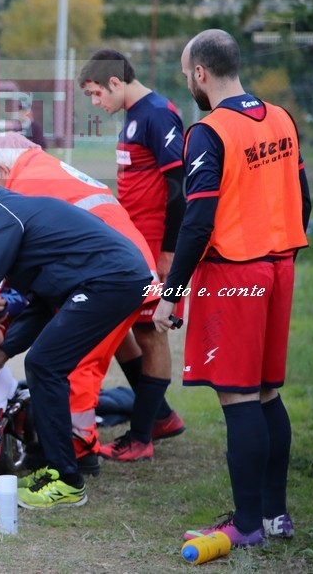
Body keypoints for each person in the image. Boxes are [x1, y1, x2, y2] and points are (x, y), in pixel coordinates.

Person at [154, 29, 311, 546]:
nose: (188, 83)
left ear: (200, 73)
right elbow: (303, 199)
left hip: (235, 274)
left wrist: (171, 294)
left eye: (187, 75)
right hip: (280, 266)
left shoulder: (209, 131)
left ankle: (246, 525)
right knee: (266, 391)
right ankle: (274, 515)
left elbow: (198, 222)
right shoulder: (282, 117)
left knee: (239, 395)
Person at [0, 178, 152, 510]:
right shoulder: (17, 212)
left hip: (112, 278)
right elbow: (40, 304)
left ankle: (67, 481)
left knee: (44, 365)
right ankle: (56, 469)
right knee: (44, 363)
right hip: (116, 276)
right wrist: (0, 357)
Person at [0, 132, 171, 470]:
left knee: (76, 359)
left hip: (111, 272)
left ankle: (79, 453)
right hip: (128, 264)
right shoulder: (46, 167)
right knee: (97, 346)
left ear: (3, 169)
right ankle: (158, 417)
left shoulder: (23, 185)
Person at [78, 49, 187, 459]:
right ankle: (158, 415)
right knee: (120, 324)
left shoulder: (158, 114)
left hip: (155, 248)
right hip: (133, 245)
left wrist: (169, 253)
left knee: (150, 333)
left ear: (115, 82)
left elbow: (179, 189)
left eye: (96, 93)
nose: (96, 103)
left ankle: (143, 436)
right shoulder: (134, 115)